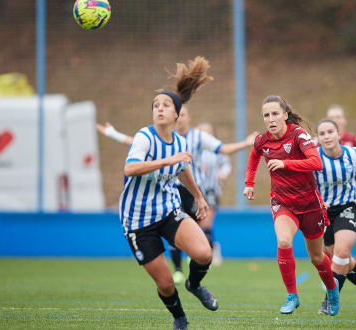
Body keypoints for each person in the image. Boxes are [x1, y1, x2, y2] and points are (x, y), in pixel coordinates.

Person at [98, 106, 257, 285]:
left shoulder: (198, 137)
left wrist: (246, 143)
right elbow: (136, 143)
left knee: (196, 227)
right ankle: (178, 270)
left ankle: (193, 258)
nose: (180, 119)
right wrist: (114, 134)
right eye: (177, 115)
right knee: (173, 228)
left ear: (189, 117)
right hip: (171, 190)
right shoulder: (161, 136)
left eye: (183, 115)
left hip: (193, 190)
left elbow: (223, 149)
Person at [119, 56, 217, 330]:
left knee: (204, 254)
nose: (159, 109)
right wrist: (166, 161)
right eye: (155, 105)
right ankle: (180, 319)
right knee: (163, 283)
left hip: (168, 210)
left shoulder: (181, 141)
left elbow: (183, 170)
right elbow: (130, 169)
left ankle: (194, 284)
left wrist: (198, 196)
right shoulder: (144, 137)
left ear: (177, 114)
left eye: (165, 105)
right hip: (138, 221)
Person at [243, 95, 341, 316]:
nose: (271, 119)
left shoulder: (298, 135)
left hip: (309, 204)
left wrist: (286, 163)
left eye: (275, 113)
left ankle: (332, 289)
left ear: (285, 115)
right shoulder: (262, 141)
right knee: (284, 241)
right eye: (266, 115)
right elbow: (253, 158)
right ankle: (292, 295)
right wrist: (249, 184)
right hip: (283, 202)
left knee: (316, 257)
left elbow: (316, 162)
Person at [314, 118, 356, 315]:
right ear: (317, 138)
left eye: (330, 132)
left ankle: (330, 300)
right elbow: (305, 184)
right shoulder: (313, 158)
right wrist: (316, 201)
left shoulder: (354, 154)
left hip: (349, 207)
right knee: (341, 257)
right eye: (322, 134)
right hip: (324, 212)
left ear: (339, 134)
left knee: (342, 254)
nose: (327, 136)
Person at [195, 122, 232, 266]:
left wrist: (222, 174)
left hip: (212, 189)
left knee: (207, 221)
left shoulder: (217, 149)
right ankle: (203, 250)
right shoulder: (194, 148)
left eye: (208, 132)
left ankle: (211, 251)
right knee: (197, 223)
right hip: (197, 189)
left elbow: (226, 164)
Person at [325, 104, 356, 186]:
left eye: (338, 117)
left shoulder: (353, 139)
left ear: (345, 120)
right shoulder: (319, 140)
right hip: (326, 183)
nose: (335, 120)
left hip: (348, 183)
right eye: (331, 118)